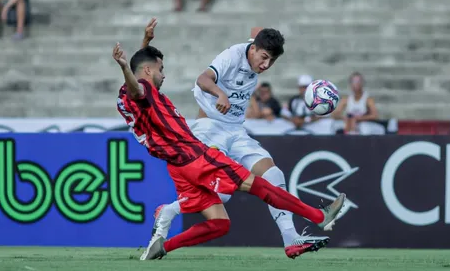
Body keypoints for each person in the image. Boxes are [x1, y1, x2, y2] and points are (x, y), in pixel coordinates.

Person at [114, 19, 346, 260]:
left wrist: (145, 44)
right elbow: (158, 82)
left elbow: (141, 72)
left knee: (226, 218)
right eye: (160, 69)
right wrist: (123, 66)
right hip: (200, 143)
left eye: (271, 61)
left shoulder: (136, 96)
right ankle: (319, 216)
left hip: (199, 151)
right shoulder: (143, 89)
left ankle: (162, 247)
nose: (164, 74)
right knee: (255, 187)